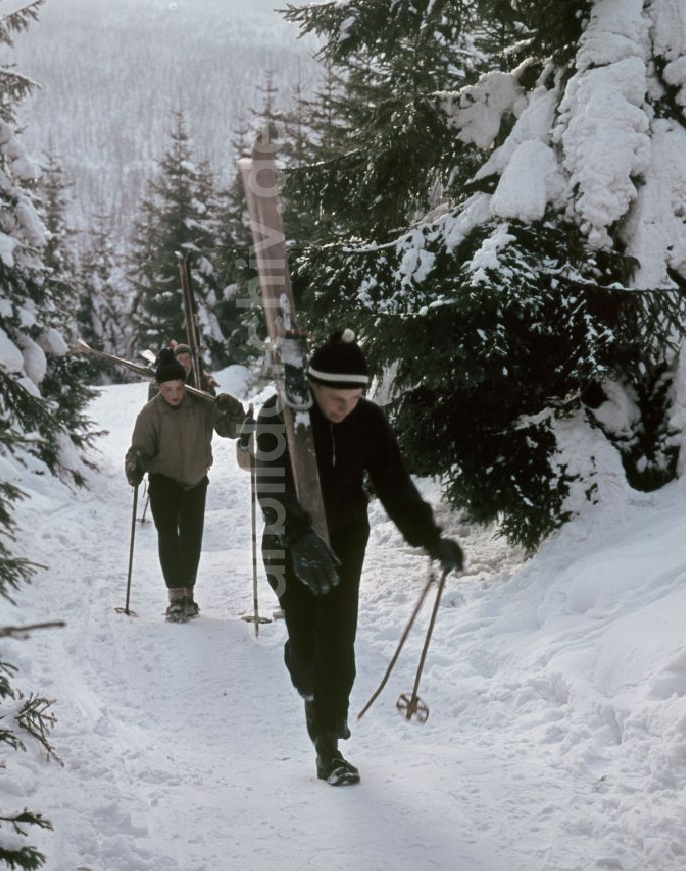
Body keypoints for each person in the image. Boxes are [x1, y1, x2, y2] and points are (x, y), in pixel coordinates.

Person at [255, 329, 463, 786]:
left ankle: (327, 742)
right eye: (336, 397)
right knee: (307, 643)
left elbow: (394, 484)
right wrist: (297, 535)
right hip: (287, 543)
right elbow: (267, 486)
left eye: (353, 396)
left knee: (338, 640)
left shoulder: (368, 420)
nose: (345, 406)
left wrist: (431, 539)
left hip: (345, 539)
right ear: (312, 384)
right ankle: (303, 666)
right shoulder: (277, 414)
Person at [125, 348, 246, 622]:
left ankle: (188, 593)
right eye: (168, 389)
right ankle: (176, 595)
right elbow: (137, 449)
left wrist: (235, 411)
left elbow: (232, 430)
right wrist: (136, 465)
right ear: (158, 387)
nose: (175, 395)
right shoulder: (150, 413)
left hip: (195, 480)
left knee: (192, 537)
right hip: (163, 481)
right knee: (168, 535)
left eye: (179, 388)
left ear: (185, 383)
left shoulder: (202, 405)